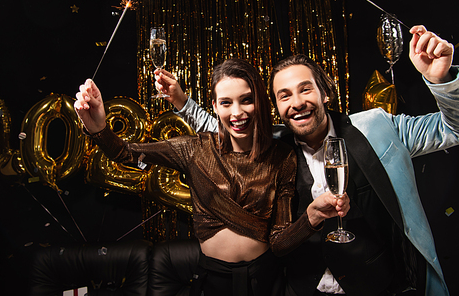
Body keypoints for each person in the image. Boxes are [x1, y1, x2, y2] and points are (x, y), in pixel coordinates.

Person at [155, 25, 459, 296]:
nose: (296, 103)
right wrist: (183, 103)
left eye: (305, 89)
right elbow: (223, 131)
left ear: (325, 92)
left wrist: (443, 80)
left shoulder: (378, 127)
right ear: (277, 106)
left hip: (379, 286)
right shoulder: (274, 148)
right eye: (284, 95)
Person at [75, 59, 350, 296]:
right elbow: (125, 153)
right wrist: (98, 126)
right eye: (226, 103)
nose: (237, 112)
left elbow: (279, 243)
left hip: (267, 278)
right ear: (215, 107)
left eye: (246, 100)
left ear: (260, 102)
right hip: (213, 279)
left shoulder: (282, 157)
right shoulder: (194, 148)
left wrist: (311, 218)